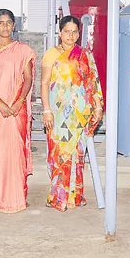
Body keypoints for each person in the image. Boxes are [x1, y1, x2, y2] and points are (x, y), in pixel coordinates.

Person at [41, 15, 103, 212]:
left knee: (77, 153)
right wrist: (46, 110)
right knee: (58, 153)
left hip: (79, 114)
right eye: (67, 31)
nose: (71, 35)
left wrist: (98, 106)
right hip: (57, 113)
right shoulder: (51, 54)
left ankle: (75, 196)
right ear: (60, 32)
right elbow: (43, 84)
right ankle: (58, 196)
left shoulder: (86, 55)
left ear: (79, 33)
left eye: (75, 31)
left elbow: (93, 83)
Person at [0, 9, 35, 213]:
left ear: (14, 25)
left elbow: (28, 78)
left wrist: (19, 102)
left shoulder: (23, 50)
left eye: (9, 22)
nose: (5, 26)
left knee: (15, 150)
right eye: (1, 23)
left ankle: (17, 195)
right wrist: (0, 103)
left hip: (16, 108)